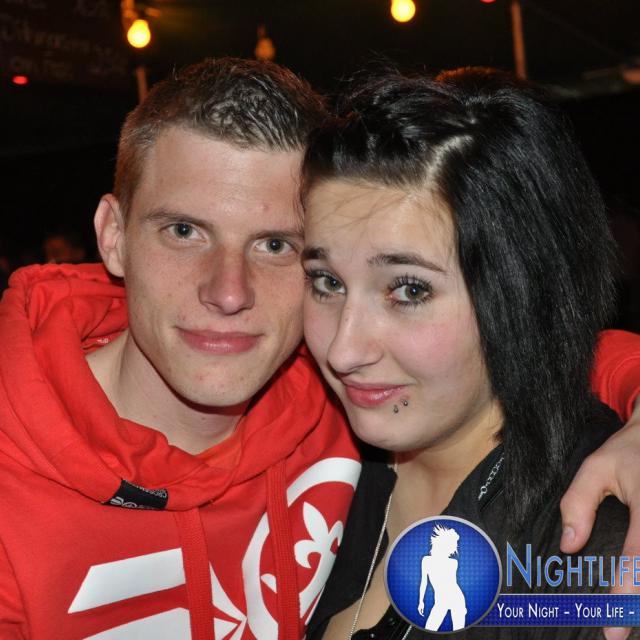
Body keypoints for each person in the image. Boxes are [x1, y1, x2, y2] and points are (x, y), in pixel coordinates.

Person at [0, 57, 638, 640]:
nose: (344, 350)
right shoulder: (348, 416)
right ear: (112, 236)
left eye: (276, 245)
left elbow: (561, 350)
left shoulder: (588, 560)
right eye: (184, 230)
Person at [301, 67, 640, 639]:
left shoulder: (598, 560)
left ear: (521, 291)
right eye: (326, 282)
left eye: (409, 290)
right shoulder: (305, 466)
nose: (343, 349)